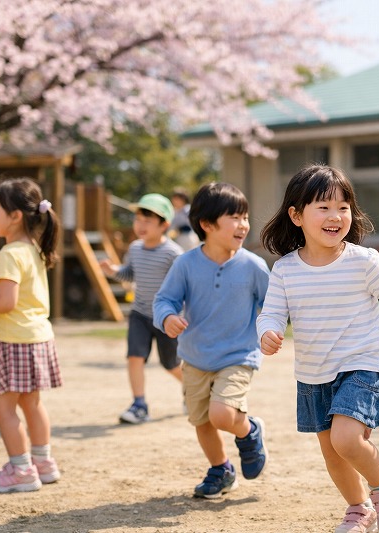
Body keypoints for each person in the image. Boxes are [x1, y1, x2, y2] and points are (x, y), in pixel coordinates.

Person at [256, 164, 379, 533]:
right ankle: (359, 509)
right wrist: (269, 332)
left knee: (347, 439)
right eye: (323, 207)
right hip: (313, 373)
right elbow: (272, 313)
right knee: (333, 453)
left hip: (363, 364)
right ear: (296, 215)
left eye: (343, 207)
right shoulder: (285, 270)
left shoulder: (362, 261)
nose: (335, 216)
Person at [153, 182, 270, 499]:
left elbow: (273, 305)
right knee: (201, 420)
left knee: (221, 415)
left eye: (244, 216)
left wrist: (270, 329)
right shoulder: (186, 264)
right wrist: (167, 318)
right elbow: (164, 300)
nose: (243, 224)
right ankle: (221, 469)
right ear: (206, 224)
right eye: (234, 217)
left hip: (238, 356)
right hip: (194, 357)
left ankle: (249, 431)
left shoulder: (253, 266)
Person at [0, 177, 63, 493]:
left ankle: (21, 469)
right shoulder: (31, 248)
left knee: (2, 406)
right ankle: (43, 463)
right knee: (31, 404)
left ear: (15, 216)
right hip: (37, 337)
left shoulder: (10, 253)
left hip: (14, 340)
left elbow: (5, 302)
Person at [99, 193, 184, 423]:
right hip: (140, 314)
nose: (141, 225)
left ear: (164, 224)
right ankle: (139, 405)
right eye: (138, 220)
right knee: (134, 357)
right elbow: (130, 274)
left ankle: (193, 391)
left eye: (148, 221)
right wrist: (113, 271)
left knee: (171, 364)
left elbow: (183, 286)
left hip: (167, 318)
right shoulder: (135, 248)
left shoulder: (173, 253)